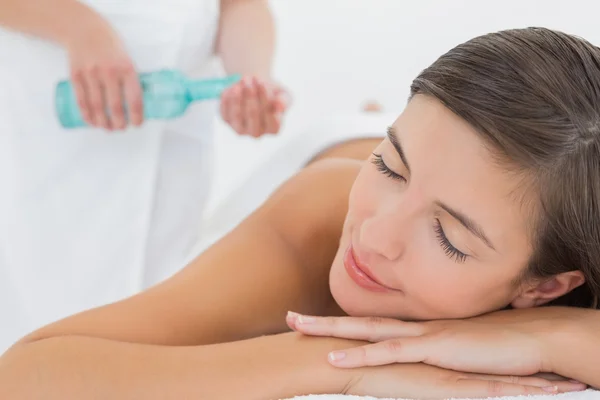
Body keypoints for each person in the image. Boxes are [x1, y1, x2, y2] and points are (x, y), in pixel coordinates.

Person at [1, 27, 600, 399]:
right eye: (390, 164)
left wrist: (547, 337)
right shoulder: (322, 217)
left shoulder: (566, 237)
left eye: (447, 237)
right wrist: (329, 362)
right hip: (326, 162)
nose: (375, 234)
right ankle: (362, 126)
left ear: (546, 286)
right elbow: (25, 376)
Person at [0, 0, 288, 351]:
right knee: (34, 334)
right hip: (47, 136)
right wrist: (81, 28)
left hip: (173, 149)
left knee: (146, 339)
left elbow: (240, 5)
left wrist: (249, 79)